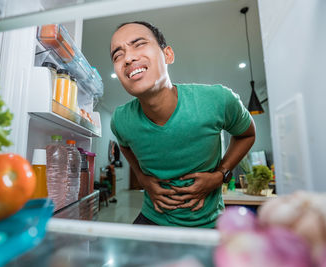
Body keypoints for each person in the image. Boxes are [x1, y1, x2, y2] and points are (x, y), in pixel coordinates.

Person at [109, 21, 256, 228]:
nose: (129, 58)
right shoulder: (120, 120)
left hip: (209, 224)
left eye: (139, 44)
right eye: (118, 55)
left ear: (168, 54)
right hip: (152, 220)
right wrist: (142, 178)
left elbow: (247, 134)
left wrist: (220, 174)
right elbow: (123, 145)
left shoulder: (218, 100)